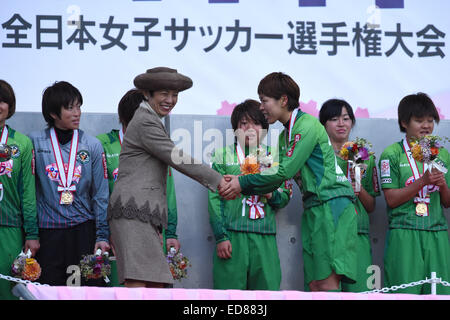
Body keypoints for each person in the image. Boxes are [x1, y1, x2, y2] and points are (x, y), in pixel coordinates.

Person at [220, 72, 358, 292]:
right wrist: (238, 182)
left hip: (331, 205)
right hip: (314, 207)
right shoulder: (286, 136)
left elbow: (283, 172)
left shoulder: (307, 125)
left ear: (283, 100)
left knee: (327, 283)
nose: (262, 107)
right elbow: (275, 177)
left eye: (264, 100)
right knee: (314, 284)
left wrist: (241, 183)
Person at [107, 67, 228, 288]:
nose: (170, 100)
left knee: (156, 284)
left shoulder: (151, 119)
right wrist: (218, 181)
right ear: (147, 94)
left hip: (143, 213)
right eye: (164, 93)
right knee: (139, 282)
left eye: (175, 95)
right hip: (132, 211)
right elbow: (177, 157)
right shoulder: (145, 120)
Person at [30, 81, 110, 286]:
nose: (77, 113)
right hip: (48, 233)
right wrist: (30, 233)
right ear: (53, 114)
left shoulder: (91, 145)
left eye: (79, 106)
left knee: (91, 290)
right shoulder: (35, 143)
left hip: (84, 230)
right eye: (70, 108)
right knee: (49, 291)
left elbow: (100, 193)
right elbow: (28, 192)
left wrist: (102, 235)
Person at [97, 89, 180, 287]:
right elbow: (100, 193)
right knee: (130, 285)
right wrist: (104, 232)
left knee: (154, 284)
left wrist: (171, 232)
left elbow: (167, 192)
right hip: (120, 226)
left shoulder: (159, 142)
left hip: (151, 224)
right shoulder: (104, 145)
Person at [208, 99, 291, 290]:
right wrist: (221, 236)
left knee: (267, 293)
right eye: (243, 123)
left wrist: (269, 192)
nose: (250, 129)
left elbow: (285, 196)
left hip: (265, 236)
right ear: (235, 128)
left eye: (256, 123)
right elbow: (214, 198)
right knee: (229, 297)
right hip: (232, 236)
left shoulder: (276, 156)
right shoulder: (222, 155)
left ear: (265, 128)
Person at [379, 93, 450, 294]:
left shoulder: (442, 154)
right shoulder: (392, 154)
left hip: (437, 233)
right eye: (419, 120)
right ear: (404, 122)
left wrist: (443, 185)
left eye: (430, 120)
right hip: (404, 233)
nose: (426, 126)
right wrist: (423, 181)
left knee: (441, 294)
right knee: (404, 294)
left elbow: (447, 202)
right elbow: (391, 200)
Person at [319, 99, 380, 292]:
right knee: (326, 294)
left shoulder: (364, 157)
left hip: (357, 235)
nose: (341, 123)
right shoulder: (317, 156)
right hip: (328, 235)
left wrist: (358, 187)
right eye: (334, 119)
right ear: (323, 124)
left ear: (352, 122)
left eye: (346, 118)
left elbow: (371, 207)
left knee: (361, 294)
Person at [0, 80, 39, 300]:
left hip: (9, 228)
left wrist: (31, 233)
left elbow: (28, 193)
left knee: (9, 290)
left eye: (2, 100)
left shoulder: (21, 143)